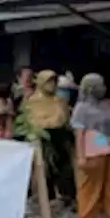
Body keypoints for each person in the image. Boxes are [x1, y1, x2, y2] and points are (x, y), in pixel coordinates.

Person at [71, 73, 110, 218]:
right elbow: (79, 133)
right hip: (93, 149)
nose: (104, 88)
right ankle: (88, 216)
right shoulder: (81, 108)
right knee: (91, 184)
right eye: (100, 85)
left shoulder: (106, 105)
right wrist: (81, 156)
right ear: (91, 88)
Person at [23, 70, 73, 199]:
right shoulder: (33, 101)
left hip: (61, 139)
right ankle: (39, 198)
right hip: (42, 139)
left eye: (54, 81)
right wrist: (53, 121)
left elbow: (64, 119)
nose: (52, 85)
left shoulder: (59, 100)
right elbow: (34, 121)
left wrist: (57, 120)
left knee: (64, 168)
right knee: (42, 169)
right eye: (49, 81)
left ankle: (63, 196)